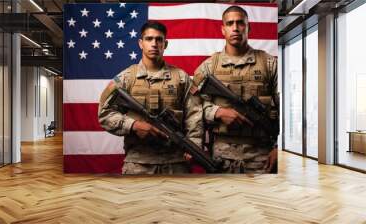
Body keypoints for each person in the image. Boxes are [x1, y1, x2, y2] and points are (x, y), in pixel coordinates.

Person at [98, 21, 203, 174]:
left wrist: (194, 144)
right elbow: (104, 113)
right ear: (141, 43)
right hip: (138, 163)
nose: (154, 44)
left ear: (165, 44)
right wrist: (133, 125)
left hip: (176, 162)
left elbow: (195, 114)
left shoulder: (181, 78)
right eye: (149, 39)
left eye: (159, 39)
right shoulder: (126, 78)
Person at [192, 6, 279, 173]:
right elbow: (193, 108)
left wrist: (280, 149)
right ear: (223, 29)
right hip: (220, 157)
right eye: (230, 23)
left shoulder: (269, 64)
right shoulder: (208, 67)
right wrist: (216, 112)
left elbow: (286, 108)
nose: (235, 28)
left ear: (249, 28)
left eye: (240, 23)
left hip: (262, 157)